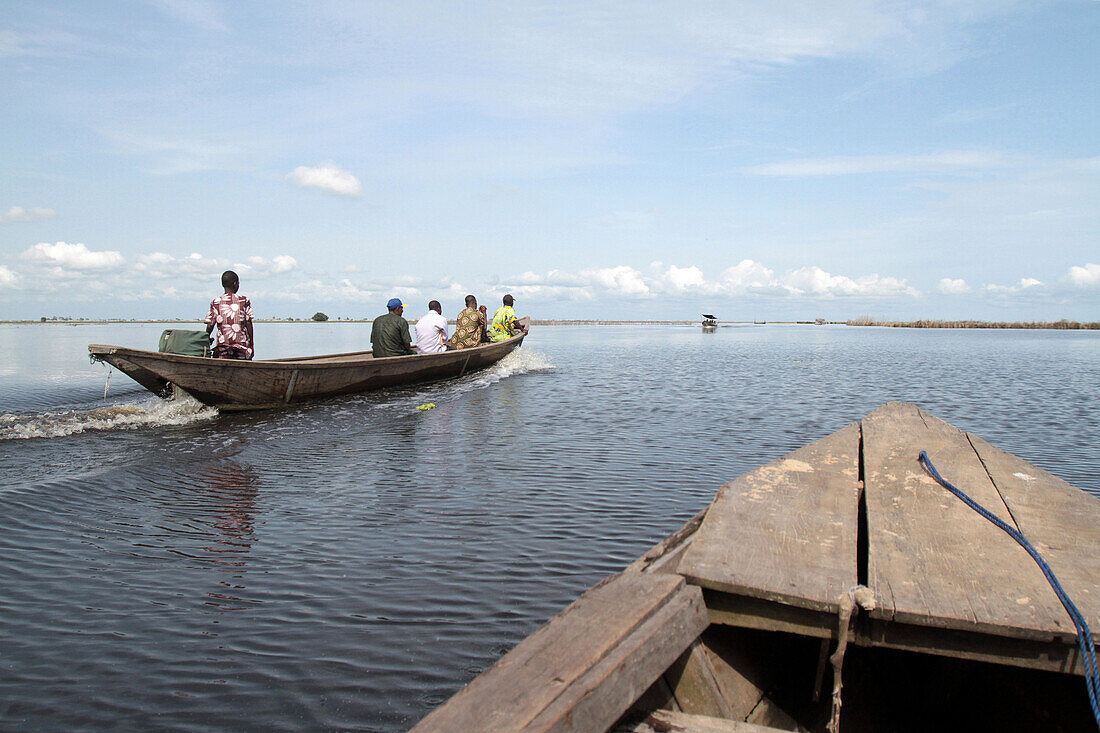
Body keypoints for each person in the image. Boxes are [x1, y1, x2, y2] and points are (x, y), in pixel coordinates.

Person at [205, 270, 254, 360]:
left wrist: (206, 339)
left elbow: (210, 325)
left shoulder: (216, 302)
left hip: (223, 349)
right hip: (242, 349)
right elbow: (248, 323)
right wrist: (251, 346)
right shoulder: (243, 301)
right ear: (235, 284)